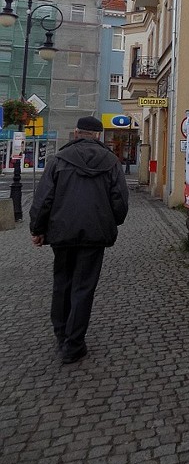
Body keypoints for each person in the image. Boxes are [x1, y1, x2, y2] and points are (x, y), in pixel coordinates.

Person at [29, 116, 129, 365]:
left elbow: (43, 199)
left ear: (76, 133)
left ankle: (62, 334)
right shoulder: (111, 162)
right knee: (84, 287)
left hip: (62, 232)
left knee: (62, 282)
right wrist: (109, 221)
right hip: (95, 234)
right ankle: (74, 345)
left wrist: (37, 229)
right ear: (98, 135)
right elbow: (120, 201)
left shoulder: (59, 160)